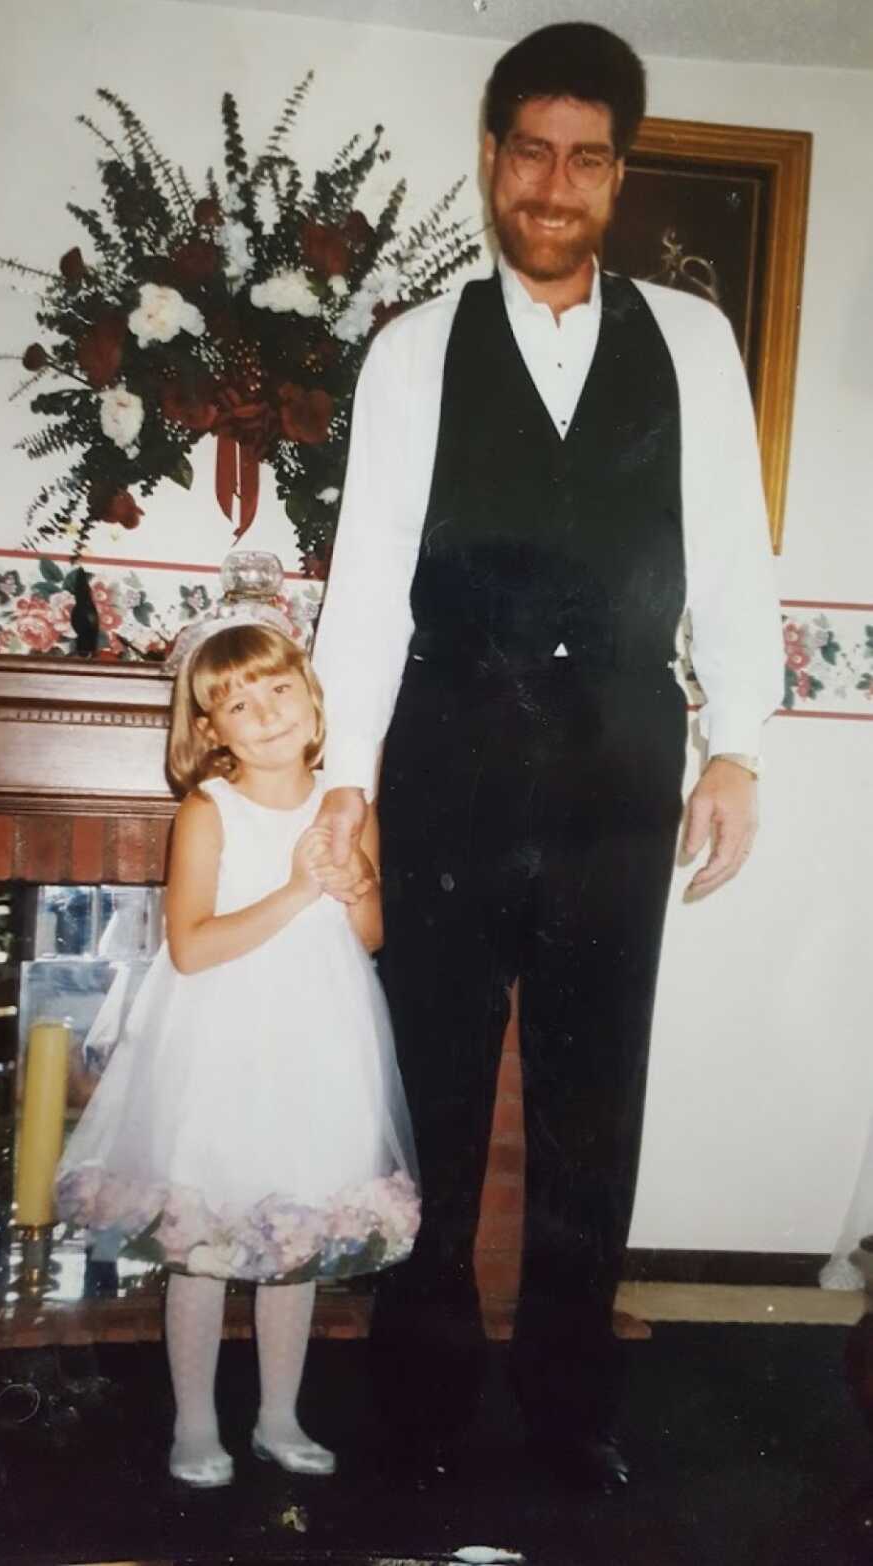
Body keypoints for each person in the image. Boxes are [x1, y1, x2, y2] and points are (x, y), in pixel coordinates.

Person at [311, 22, 784, 1489]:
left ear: (620, 175)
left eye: (585, 158)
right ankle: (419, 1409)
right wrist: (345, 779)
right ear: (494, 156)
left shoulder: (694, 341)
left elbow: (732, 556)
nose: (553, 184)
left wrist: (738, 745)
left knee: (594, 1098)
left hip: (617, 759)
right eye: (530, 151)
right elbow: (369, 571)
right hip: (449, 750)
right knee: (434, 1090)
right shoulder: (411, 349)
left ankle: (573, 1410)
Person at [56, 622, 420, 1488]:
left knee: (292, 1231)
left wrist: (357, 885)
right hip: (223, 1045)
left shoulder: (347, 801)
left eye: (276, 690)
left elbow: (367, 936)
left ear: (311, 693)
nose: (263, 714)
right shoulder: (209, 812)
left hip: (321, 1042)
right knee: (208, 1239)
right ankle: (193, 1423)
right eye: (236, 704)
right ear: (210, 731)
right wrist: (299, 889)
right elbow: (190, 947)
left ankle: (279, 1418)